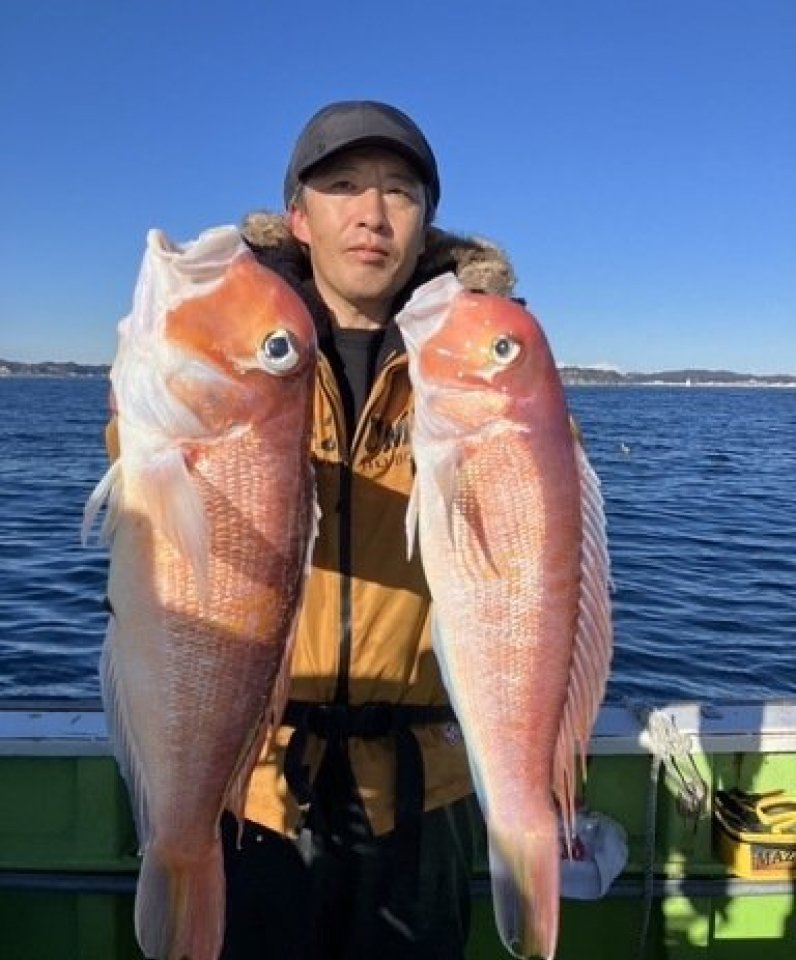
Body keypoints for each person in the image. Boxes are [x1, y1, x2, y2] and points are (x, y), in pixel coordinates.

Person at [221, 99, 517, 960]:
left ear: (424, 224)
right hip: (260, 783)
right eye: (343, 185)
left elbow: (541, 540)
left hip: (427, 790)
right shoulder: (232, 354)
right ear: (298, 219)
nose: (372, 212)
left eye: (399, 190)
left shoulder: (480, 360)